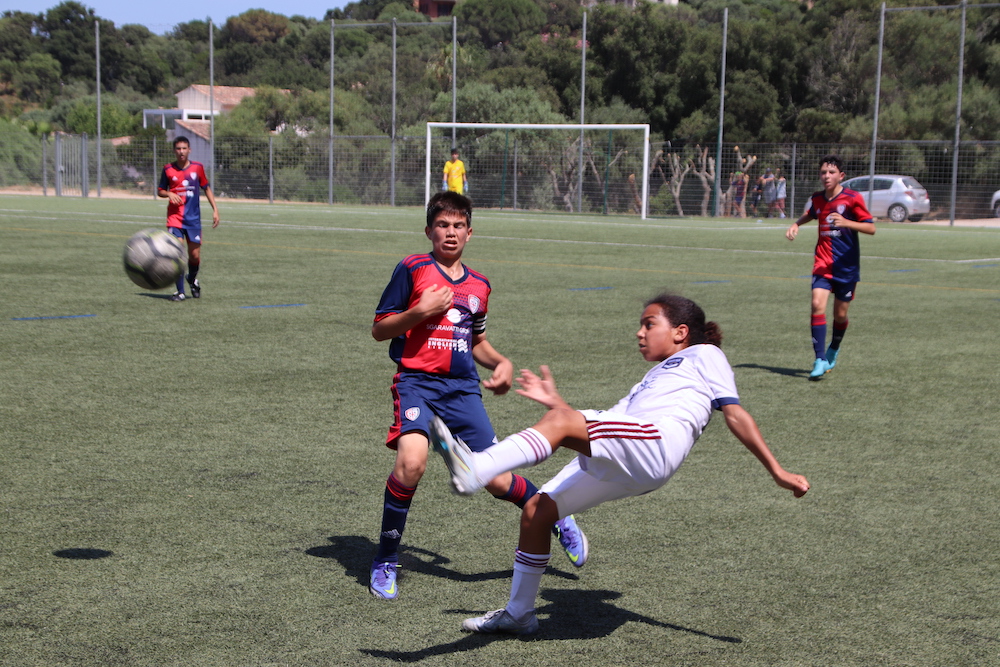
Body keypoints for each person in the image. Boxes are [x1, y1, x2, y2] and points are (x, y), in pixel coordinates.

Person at [430, 293, 811, 634]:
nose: (639, 333)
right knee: (537, 511)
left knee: (559, 426)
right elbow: (603, 430)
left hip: (657, 443)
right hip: (634, 460)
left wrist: (777, 471)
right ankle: (519, 614)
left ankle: (476, 468)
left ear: (680, 332)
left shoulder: (705, 354)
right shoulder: (651, 378)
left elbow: (735, 413)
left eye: (649, 324)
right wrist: (557, 404)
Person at [368, 191, 586, 601]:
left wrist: (500, 362)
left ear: (470, 233)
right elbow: (380, 329)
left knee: (496, 479)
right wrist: (420, 312)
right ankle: (385, 558)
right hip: (416, 384)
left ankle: (554, 514)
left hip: (463, 391)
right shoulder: (412, 269)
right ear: (429, 231)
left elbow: (476, 341)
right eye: (442, 225)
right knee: (411, 464)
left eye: (458, 226)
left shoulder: (479, 285)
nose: (450, 233)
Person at [785, 155, 875, 380]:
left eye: (832, 172)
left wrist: (847, 223)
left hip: (846, 266)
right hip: (823, 263)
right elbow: (812, 213)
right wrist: (796, 224)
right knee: (817, 304)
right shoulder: (817, 199)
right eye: (824, 172)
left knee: (840, 315)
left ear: (841, 176)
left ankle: (833, 347)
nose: (827, 176)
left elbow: (871, 228)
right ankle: (819, 359)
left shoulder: (852, 198)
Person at [157, 136, 220, 302]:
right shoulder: (168, 169)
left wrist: (215, 209)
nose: (181, 152)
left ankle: (192, 279)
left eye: (184, 148)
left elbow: (206, 188)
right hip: (175, 218)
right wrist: (169, 193)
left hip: (193, 220)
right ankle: (180, 292)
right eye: (178, 149)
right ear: (174, 151)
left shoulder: (197, 168)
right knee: (177, 253)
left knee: (194, 256)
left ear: (189, 150)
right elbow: (160, 190)